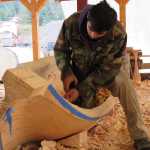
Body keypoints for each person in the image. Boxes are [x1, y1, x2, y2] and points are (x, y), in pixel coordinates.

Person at [54, 0, 150, 149]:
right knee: (84, 111)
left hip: (108, 70)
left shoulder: (118, 33)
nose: (92, 35)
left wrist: (81, 88)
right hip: (81, 69)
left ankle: (141, 136)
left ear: (109, 30)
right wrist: (66, 71)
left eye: (99, 33)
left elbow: (110, 69)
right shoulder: (71, 24)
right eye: (91, 28)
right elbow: (60, 51)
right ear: (88, 19)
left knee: (125, 86)